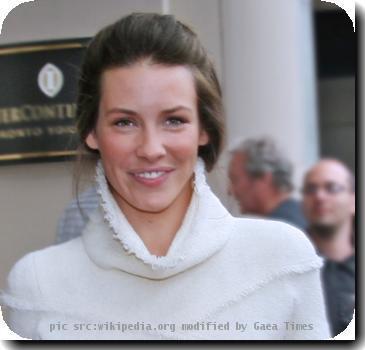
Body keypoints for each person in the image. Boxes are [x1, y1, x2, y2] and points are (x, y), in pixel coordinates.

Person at [0, 13, 330, 340]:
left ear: (204, 129)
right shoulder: (38, 286)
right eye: (124, 122)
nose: (151, 148)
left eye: (173, 120)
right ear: (91, 132)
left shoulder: (281, 260)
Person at [302, 159, 355, 337]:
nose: (320, 196)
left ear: (353, 200)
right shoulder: (287, 267)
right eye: (311, 189)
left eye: (332, 188)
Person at [228, 137, 307, 231]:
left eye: (235, 179)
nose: (230, 191)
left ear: (263, 178)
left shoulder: (281, 229)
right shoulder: (299, 216)